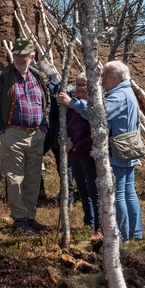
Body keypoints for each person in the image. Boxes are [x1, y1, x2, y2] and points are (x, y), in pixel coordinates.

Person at [65, 61, 143, 242]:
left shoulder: (119, 95)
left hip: (119, 150)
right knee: (129, 191)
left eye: (106, 76)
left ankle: (123, 237)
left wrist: (73, 104)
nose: (102, 80)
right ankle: (136, 233)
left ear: (118, 77)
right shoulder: (128, 92)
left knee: (120, 194)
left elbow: (98, 115)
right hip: (128, 147)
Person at [0, 39, 50, 233]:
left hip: (35, 135)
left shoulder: (38, 77)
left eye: (24, 55)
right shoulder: (4, 79)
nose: (20, 58)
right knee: (15, 179)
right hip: (12, 134)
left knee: (33, 178)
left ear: (32, 56)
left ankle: (30, 217)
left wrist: (44, 127)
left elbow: (46, 105)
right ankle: (20, 219)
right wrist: (1, 133)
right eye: (17, 55)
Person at [56, 75, 99, 237]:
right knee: (82, 190)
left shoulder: (92, 106)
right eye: (78, 84)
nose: (81, 88)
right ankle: (88, 221)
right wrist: (62, 138)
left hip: (88, 154)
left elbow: (94, 134)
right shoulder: (71, 106)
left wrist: (76, 146)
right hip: (74, 155)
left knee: (93, 190)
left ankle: (98, 226)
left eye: (84, 85)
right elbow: (65, 124)